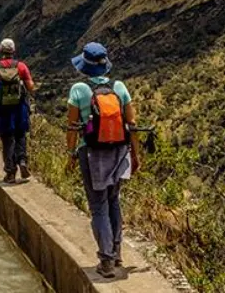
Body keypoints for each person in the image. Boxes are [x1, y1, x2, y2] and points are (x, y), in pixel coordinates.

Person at [66, 42, 140, 279]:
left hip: (91, 153)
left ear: (84, 66)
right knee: (113, 200)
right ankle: (116, 252)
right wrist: (135, 155)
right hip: (119, 152)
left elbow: (72, 127)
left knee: (98, 206)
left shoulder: (78, 90)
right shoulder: (119, 87)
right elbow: (132, 124)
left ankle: (106, 260)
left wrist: (70, 155)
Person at [0, 38, 36, 184]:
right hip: (20, 109)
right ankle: (22, 161)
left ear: (1, 51)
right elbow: (31, 86)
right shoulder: (21, 67)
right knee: (20, 135)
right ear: (13, 51)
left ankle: (11, 173)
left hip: (3, 110)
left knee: (7, 139)